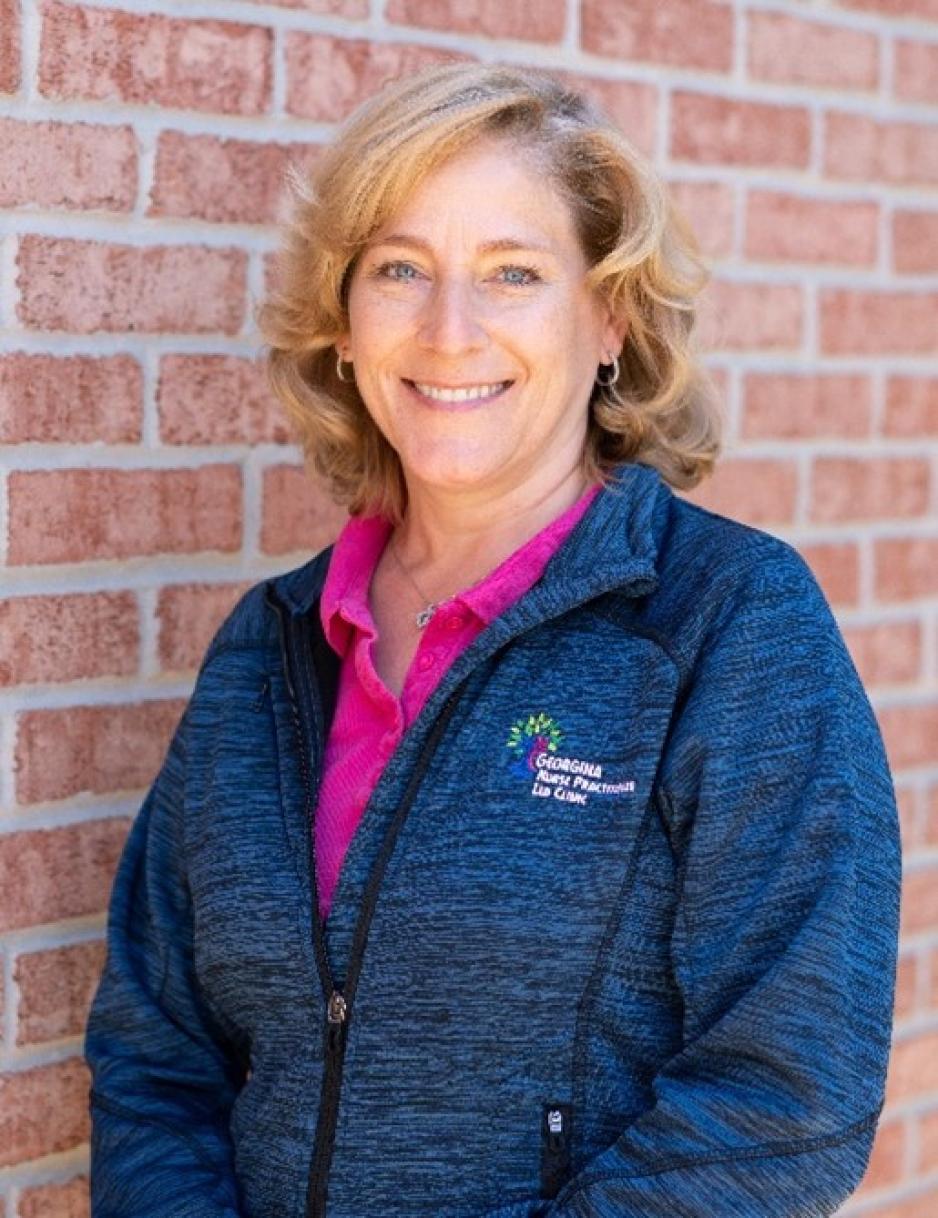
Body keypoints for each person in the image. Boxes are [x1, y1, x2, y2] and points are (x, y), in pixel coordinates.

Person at [84, 63, 901, 1218]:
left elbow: (786, 1093)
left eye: (511, 273)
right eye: (401, 270)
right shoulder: (267, 649)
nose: (448, 330)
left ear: (607, 315)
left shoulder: (725, 623)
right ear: (346, 324)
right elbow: (156, 1055)